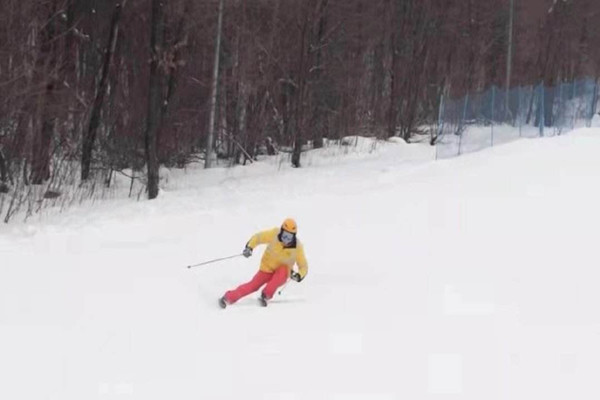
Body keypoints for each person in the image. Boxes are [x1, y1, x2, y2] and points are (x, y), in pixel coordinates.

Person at [219, 218, 308, 308]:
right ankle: (228, 297)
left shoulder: (297, 247)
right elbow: (258, 237)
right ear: (281, 232)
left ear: (294, 237)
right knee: (253, 286)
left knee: (283, 270)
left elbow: (303, 266)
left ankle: (266, 294)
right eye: (284, 235)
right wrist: (249, 247)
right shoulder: (274, 234)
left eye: (289, 237)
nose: (286, 240)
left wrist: (299, 275)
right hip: (266, 269)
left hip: (282, 273)